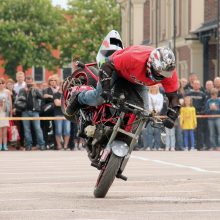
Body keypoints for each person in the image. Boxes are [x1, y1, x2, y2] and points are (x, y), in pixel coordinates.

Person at [65, 46, 180, 130]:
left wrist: (172, 117)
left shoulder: (169, 73)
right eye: (160, 72)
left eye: (165, 74)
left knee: (143, 115)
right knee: (99, 98)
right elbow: (107, 66)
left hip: (138, 81)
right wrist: (105, 90)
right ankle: (79, 97)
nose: (162, 76)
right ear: (151, 64)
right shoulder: (134, 57)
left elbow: (173, 97)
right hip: (116, 70)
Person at [15, 77, 45, 151]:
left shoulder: (35, 89)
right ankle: (28, 145)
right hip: (25, 111)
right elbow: (19, 100)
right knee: (27, 129)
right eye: (27, 81)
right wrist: (25, 92)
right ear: (25, 82)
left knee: (38, 128)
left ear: (32, 81)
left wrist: (35, 89)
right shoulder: (22, 90)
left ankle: (41, 145)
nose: (29, 83)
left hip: (35, 112)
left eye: (30, 82)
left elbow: (41, 97)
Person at [142, 85, 164, 150]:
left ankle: (157, 146)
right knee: (149, 131)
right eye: (152, 86)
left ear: (157, 88)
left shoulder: (160, 95)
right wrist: (151, 111)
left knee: (157, 131)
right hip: (149, 114)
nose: (153, 88)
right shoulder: (147, 95)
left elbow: (160, 105)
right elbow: (147, 104)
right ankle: (149, 146)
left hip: (157, 114)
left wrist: (156, 111)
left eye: (155, 87)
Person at [0, 78, 12, 151]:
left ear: (4, 84)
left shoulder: (7, 92)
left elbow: (10, 103)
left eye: (2, 83)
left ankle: (5, 145)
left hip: (5, 113)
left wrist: (10, 113)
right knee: (0, 132)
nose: (0, 85)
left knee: (5, 131)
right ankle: (0, 146)